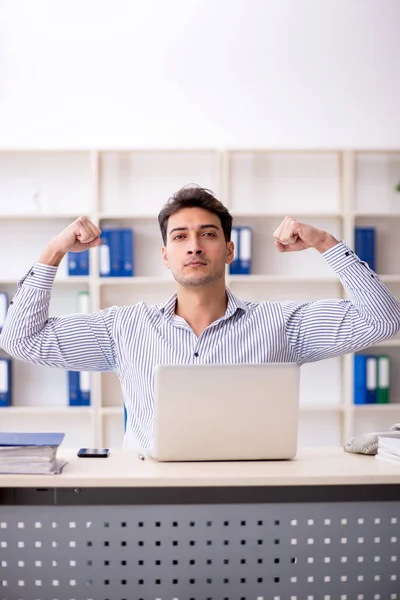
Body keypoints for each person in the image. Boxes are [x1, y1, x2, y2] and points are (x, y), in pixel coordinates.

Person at [1, 185, 400, 451]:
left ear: (228, 250)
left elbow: (382, 320)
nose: (193, 247)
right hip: (148, 509)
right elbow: (20, 340)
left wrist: (325, 243)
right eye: (179, 237)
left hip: (253, 504)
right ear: (165, 255)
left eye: (207, 234)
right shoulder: (123, 328)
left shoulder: (281, 325)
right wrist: (53, 252)